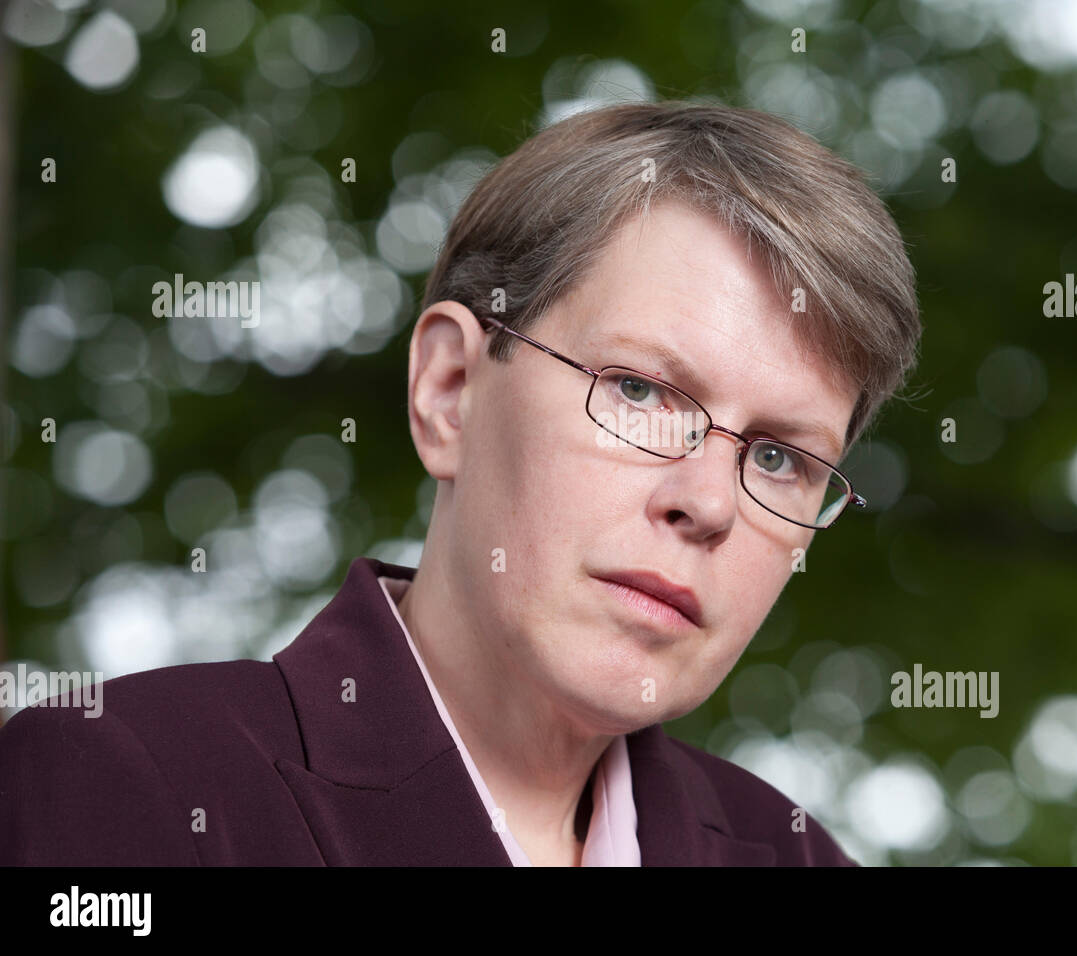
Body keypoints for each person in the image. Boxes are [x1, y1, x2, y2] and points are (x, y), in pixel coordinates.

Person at [0, 100, 920, 866]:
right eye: (641, 392)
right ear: (450, 392)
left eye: (778, 458)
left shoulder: (795, 856)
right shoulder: (131, 788)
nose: (710, 503)